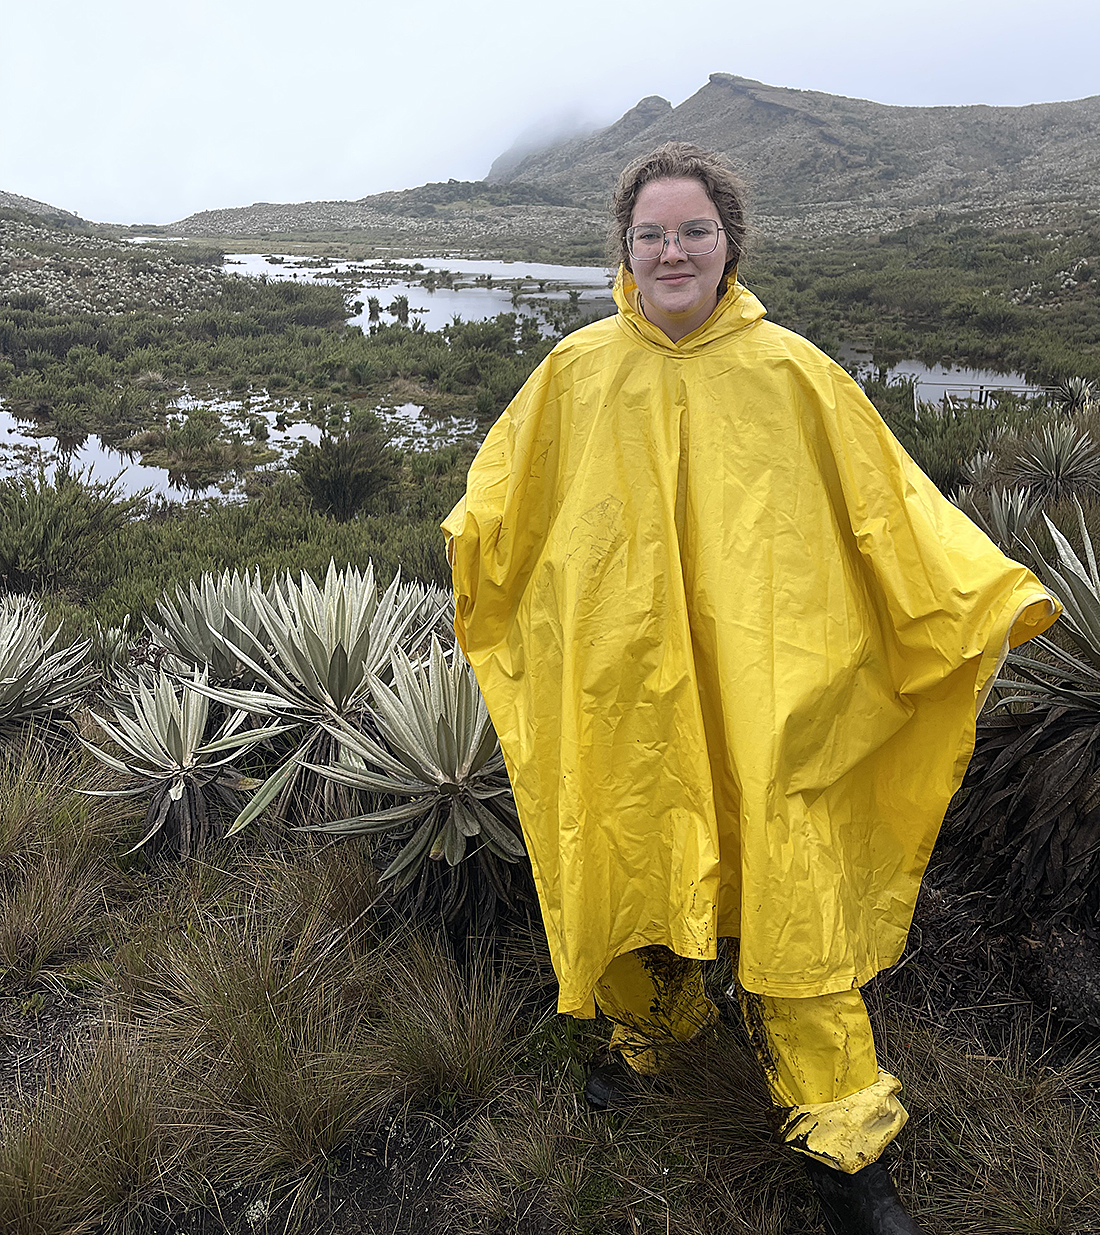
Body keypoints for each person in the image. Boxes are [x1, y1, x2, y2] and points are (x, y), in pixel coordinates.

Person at [442, 142, 1059, 1235]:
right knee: (634, 854)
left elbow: (891, 510)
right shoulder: (575, 373)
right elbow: (501, 512)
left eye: (691, 230)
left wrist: (977, 595)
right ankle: (653, 1038)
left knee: (795, 901)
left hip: (775, 703)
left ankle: (846, 1148)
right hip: (623, 693)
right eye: (649, 233)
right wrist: (491, 584)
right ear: (622, 250)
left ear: (729, 242)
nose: (670, 249)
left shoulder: (792, 373)